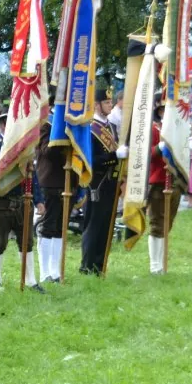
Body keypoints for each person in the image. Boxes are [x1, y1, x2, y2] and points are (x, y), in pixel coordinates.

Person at [0, 113, 44, 292]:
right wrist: (16, 156)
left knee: (27, 241)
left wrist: (39, 199)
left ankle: (31, 280)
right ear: (1, 126)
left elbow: (33, 175)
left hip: (23, 200)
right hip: (2, 202)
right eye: (7, 123)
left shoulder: (26, 148)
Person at [79, 88, 128, 274]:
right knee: (94, 226)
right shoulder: (90, 129)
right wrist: (115, 156)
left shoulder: (111, 127)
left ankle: (99, 265)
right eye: (106, 102)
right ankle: (87, 266)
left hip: (111, 184)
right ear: (97, 105)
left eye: (110, 102)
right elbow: (92, 160)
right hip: (96, 184)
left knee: (107, 225)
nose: (110, 105)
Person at [35, 97, 77, 284]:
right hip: (50, 181)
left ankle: (56, 270)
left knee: (61, 227)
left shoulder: (75, 125)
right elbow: (46, 151)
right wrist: (64, 139)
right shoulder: (46, 125)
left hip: (69, 182)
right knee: (47, 226)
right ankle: (45, 272)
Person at [147, 103, 184, 274]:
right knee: (157, 224)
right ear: (160, 111)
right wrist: (158, 148)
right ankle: (155, 265)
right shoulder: (152, 129)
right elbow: (145, 155)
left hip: (175, 181)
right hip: (158, 181)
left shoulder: (178, 130)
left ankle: (162, 262)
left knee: (168, 223)